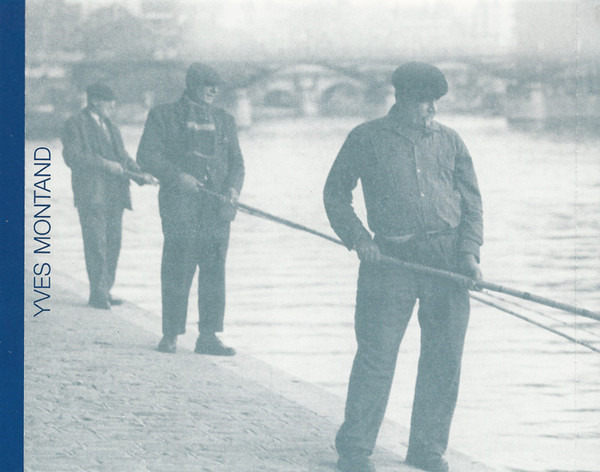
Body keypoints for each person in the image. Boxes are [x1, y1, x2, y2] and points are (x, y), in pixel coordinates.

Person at [323, 62, 483, 472]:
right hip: (389, 261)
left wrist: (469, 254)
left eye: (436, 102)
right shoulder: (366, 138)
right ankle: (355, 450)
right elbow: (335, 194)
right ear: (402, 98)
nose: (432, 109)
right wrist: (359, 239)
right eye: (425, 101)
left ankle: (426, 449)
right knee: (376, 355)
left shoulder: (451, 140)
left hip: (447, 260)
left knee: (444, 359)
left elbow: (472, 204)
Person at [136, 63, 244, 356]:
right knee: (177, 269)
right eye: (208, 85)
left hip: (217, 209)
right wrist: (177, 177)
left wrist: (233, 189)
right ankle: (171, 334)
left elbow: (237, 163)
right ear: (192, 85)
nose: (213, 91)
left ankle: (208, 337)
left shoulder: (225, 119)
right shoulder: (163, 116)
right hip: (180, 207)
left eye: (216, 86)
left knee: (214, 273)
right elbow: (146, 156)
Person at [62, 83, 154, 310]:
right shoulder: (74, 123)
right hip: (92, 195)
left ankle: (105, 290)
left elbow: (122, 157)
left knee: (113, 244)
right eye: (109, 103)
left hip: (116, 195)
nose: (113, 107)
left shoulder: (111, 126)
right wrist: (105, 164)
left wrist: (141, 173)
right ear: (95, 101)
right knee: (96, 244)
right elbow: (73, 157)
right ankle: (98, 294)